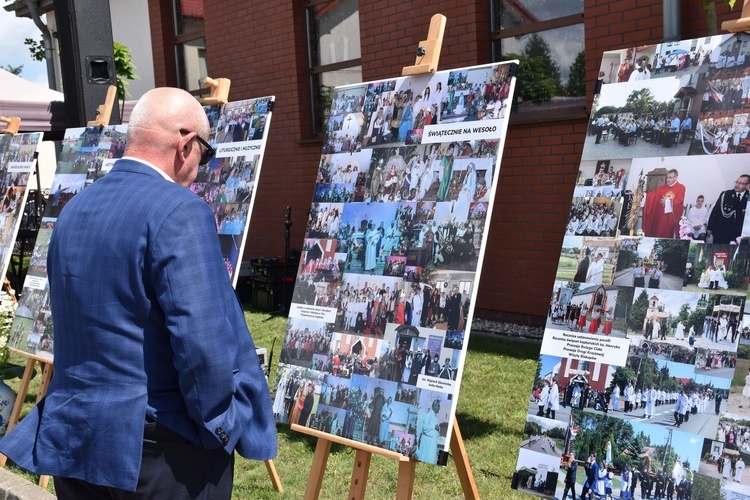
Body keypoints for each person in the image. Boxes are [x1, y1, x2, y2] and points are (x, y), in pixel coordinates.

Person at [0, 88, 277, 498]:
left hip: (75, 436)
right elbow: (202, 344)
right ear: (185, 144)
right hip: (160, 450)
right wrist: (223, 425)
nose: (202, 167)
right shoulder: (180, 210)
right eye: (205, 152)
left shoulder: (75, 208)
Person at [707, 174, 750, 244]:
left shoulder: (748, 197)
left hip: (741, 233)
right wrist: (710, 227)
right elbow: (715, 211)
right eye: (737, 182)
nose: (737, 185)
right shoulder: (726, 194)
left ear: (748, 185)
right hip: (724, 231)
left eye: (741, 183)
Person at [642, 169, 685, 238]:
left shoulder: (681, 187)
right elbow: (653, 196)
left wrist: (667, 201)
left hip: (671, 218)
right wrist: (643, 195)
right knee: (658, 233)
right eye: (667, 177)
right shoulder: (662, 188)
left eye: (670, 177)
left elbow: (679, 201)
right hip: (661, 217)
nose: (667, 179)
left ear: (675, 178)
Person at [416, 399, 441, 463]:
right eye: (438, 406)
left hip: (432, 442)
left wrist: (438, 429)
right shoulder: (429, 415)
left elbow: (435, 429)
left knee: (431, 459)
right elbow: (424, 427)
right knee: (427, 458)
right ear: (434, 405)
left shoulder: (435, 417)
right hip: (428, 442)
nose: (439, 408)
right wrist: (434, 427)